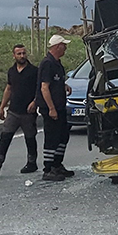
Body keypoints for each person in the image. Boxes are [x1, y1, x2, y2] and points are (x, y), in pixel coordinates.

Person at [0, 44, 40, 176]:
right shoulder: (12, 71)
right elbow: (8, 88)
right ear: (14, 56)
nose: (22, 56)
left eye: (24, 53)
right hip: (13, 111)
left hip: (28, 112)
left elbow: (40, 88)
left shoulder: (34, 71)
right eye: (19, 54)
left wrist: (35, 102)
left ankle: (32, 162)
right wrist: (2, 107)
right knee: (5, 136)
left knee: (30, 138)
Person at [38, 34, 75, 181]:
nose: (65, 48)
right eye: (64, 45)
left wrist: (64, 86)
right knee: (52, 137)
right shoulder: (47, 63)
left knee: (62, 135)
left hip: (60, 105)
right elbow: (44, 87)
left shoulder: (57, 63)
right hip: (50, 108)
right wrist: (51, 108)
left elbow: (54, 82)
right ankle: (48, 168)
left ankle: (57, 164)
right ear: (57, 46)